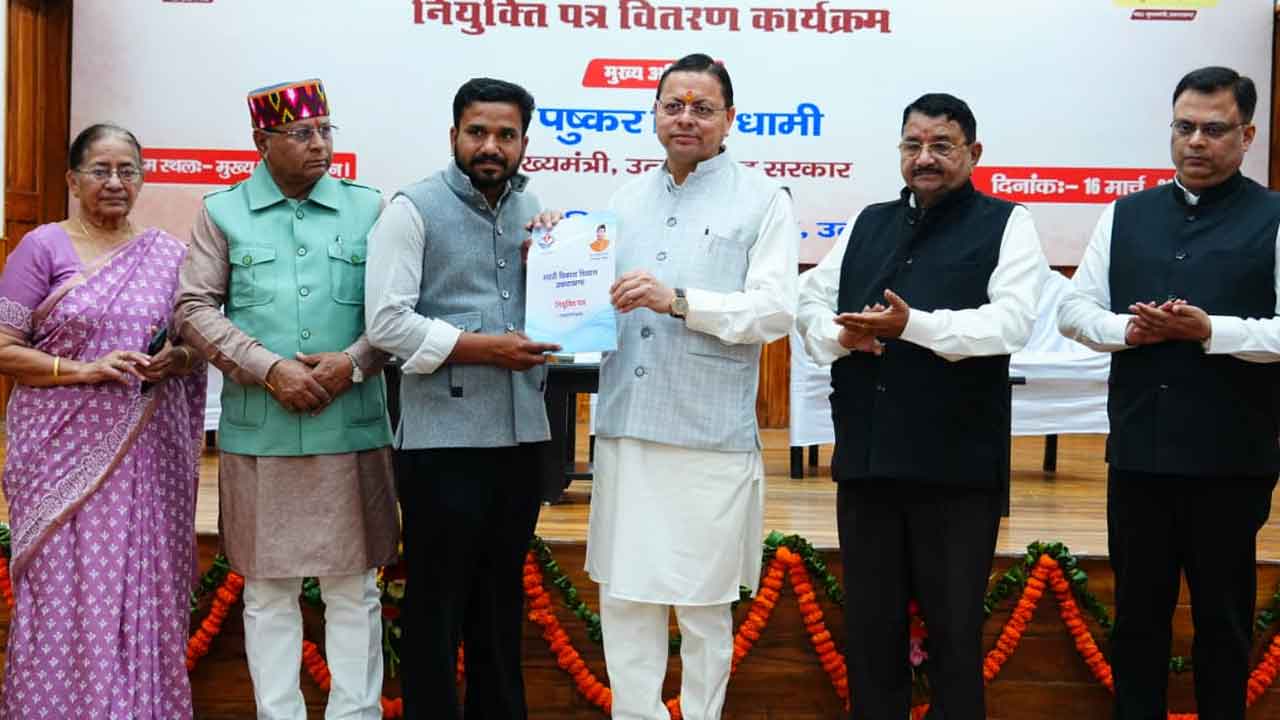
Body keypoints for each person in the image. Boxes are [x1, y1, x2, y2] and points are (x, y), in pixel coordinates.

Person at [796, 93, 1047, 720]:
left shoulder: (1007, 223)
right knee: (870, 637)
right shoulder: (868, 222)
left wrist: (914, 326)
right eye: (913, 145)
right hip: (868, 465)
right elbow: (809, 302)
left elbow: (1010, 323)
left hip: (953, 471)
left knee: (954, 638)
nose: (925, 158)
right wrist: (841, 336)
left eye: (941, 146)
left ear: (974, 152)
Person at [1058, 66, 1280, 720]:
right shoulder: (1125, 214)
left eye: (1215, 129)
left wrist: (1212, 330)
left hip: (1230, 460)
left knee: (1223, 623)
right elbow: (1074, 310)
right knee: (1137, 622)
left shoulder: (1273, 217)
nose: (1196, 142)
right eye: (1185, 127)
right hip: (1139, 455)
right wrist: (1127, 330)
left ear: (1247, 136)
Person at [174, 79, 399, 720]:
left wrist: (353, 363)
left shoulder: (369, 208)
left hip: (350, 426)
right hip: (262, 433)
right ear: (261, 141)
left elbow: (397, 308)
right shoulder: (223, 212)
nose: (319, 144)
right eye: (302, 133)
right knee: (268, 592)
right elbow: (193, 307)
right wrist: (269, 368)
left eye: (326, 130)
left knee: (353, 589)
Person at [584, 53, 798, 720]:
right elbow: (590, 298)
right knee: (625, 596)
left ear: (729, 119)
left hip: (708, 435)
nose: (686, 118)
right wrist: (556, 260)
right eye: (673, 105)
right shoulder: (624, 200)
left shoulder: (762, 200)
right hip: (627, 425)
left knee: (704, 604)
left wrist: (679, 301)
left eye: (702, 108)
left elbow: (775, 311)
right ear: (654, 114)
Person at [364, 77, 558, 720]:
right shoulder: (411, 209)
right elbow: (386, 324)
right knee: (437, 605)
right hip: (442, 442)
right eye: (478, 132)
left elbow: (553, 309)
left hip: (521, 436)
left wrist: (555, 258)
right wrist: (486, 349)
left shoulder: (534, 209)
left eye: (506, 134)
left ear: (524, 142)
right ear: (454, 135)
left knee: (501, 602)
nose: (491, 146)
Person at [0, 123, 207, 720]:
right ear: (72, 180)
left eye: (127, 171)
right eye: (100, 170)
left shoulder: (169, 256)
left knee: (143, 586)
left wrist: (177, 360)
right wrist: (85, 370)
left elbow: (195, 347)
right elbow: (4, 347)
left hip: (147, 461)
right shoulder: (42, 248)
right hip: (59, 458)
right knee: (62, 590)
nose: (115, 182)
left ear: (142, 179)